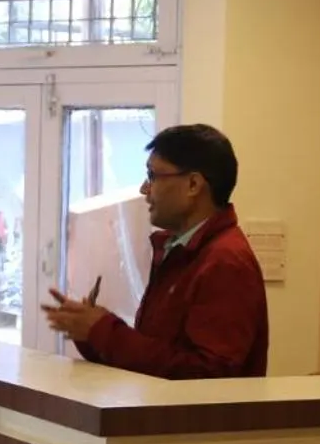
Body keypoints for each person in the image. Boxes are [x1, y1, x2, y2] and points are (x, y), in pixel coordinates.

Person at [43, 123, 270, 378]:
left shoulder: (225, 262)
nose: (144, 189)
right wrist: (91, 331)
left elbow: (207, 375)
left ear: (193, 184)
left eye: (152, 176)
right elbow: (153, 358)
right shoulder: (179, 250)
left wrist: (104, 331)